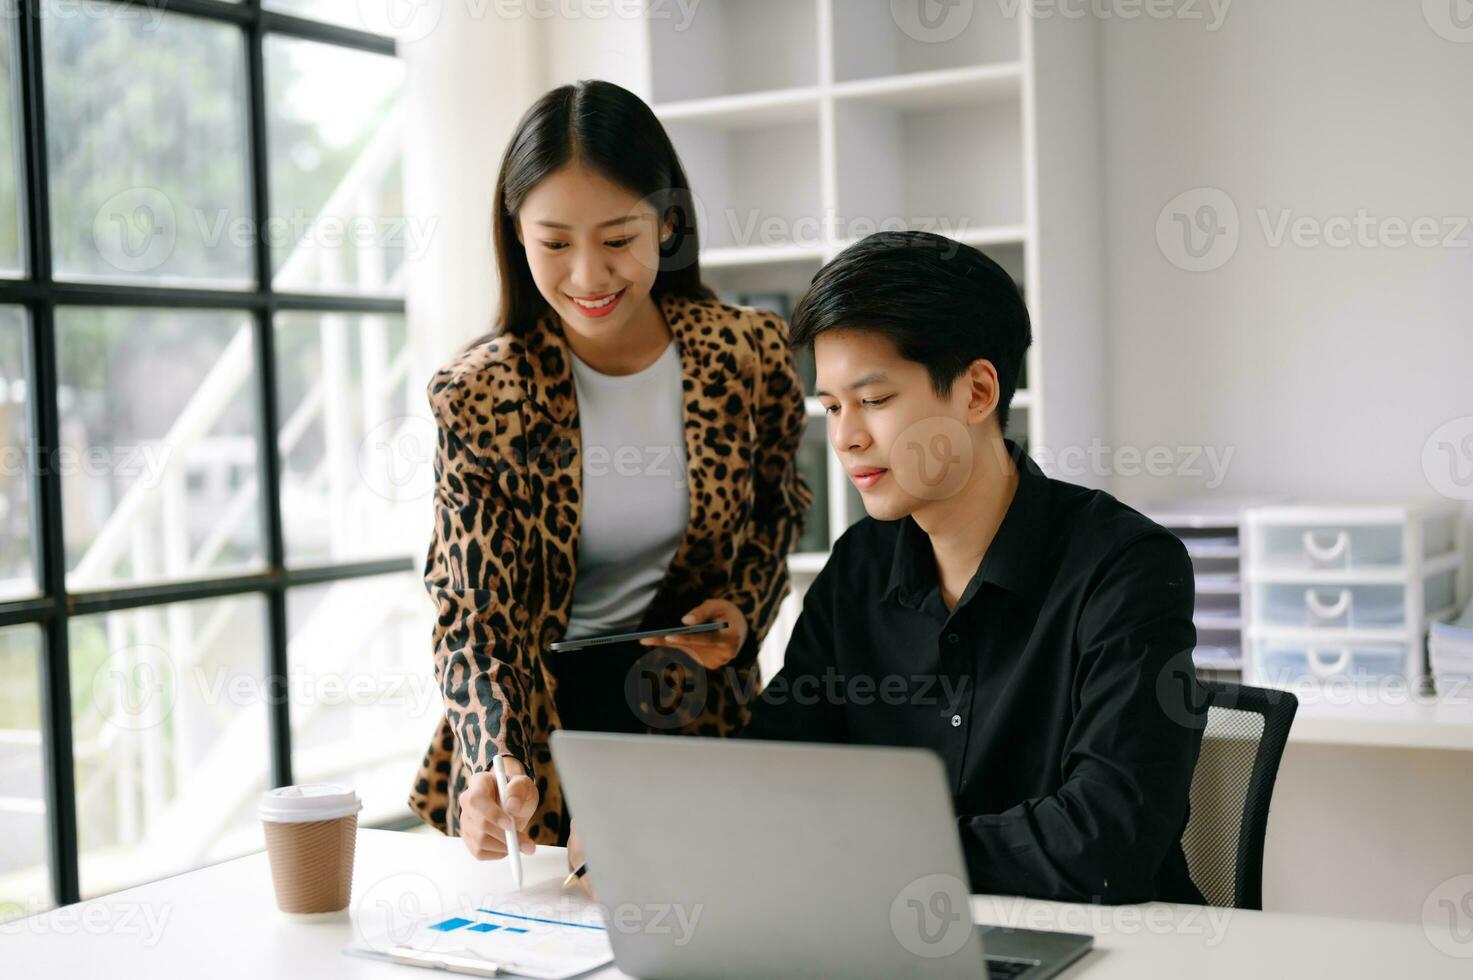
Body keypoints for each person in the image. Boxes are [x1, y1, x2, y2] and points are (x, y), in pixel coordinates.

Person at [408, 80, 813, 886]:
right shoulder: (482, 394)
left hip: (691, 714)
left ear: (666, 222)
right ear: (514, 234)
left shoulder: (749, 356)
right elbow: (473, 612)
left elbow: (779, 511)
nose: (588, 274)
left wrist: (743, 611)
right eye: (554, 242)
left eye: (619, 237)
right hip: (536, 729)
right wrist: (495, 753)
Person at [743, 230, 1208, 905]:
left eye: (873, 402)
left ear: (977, 391)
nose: (845, 438)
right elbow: (775, 769)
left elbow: (1108, 841)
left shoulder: (1122, 566)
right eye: (832, 406)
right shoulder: (858, 568)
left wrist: (885, 852)